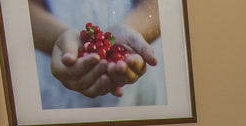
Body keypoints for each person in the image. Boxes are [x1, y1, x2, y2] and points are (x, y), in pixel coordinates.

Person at [28, 0, 162, 108]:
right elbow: (23, 8)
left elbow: (160, 6)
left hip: (133, 66)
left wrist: (133, 31)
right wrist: (59, 38)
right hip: (52, 58)